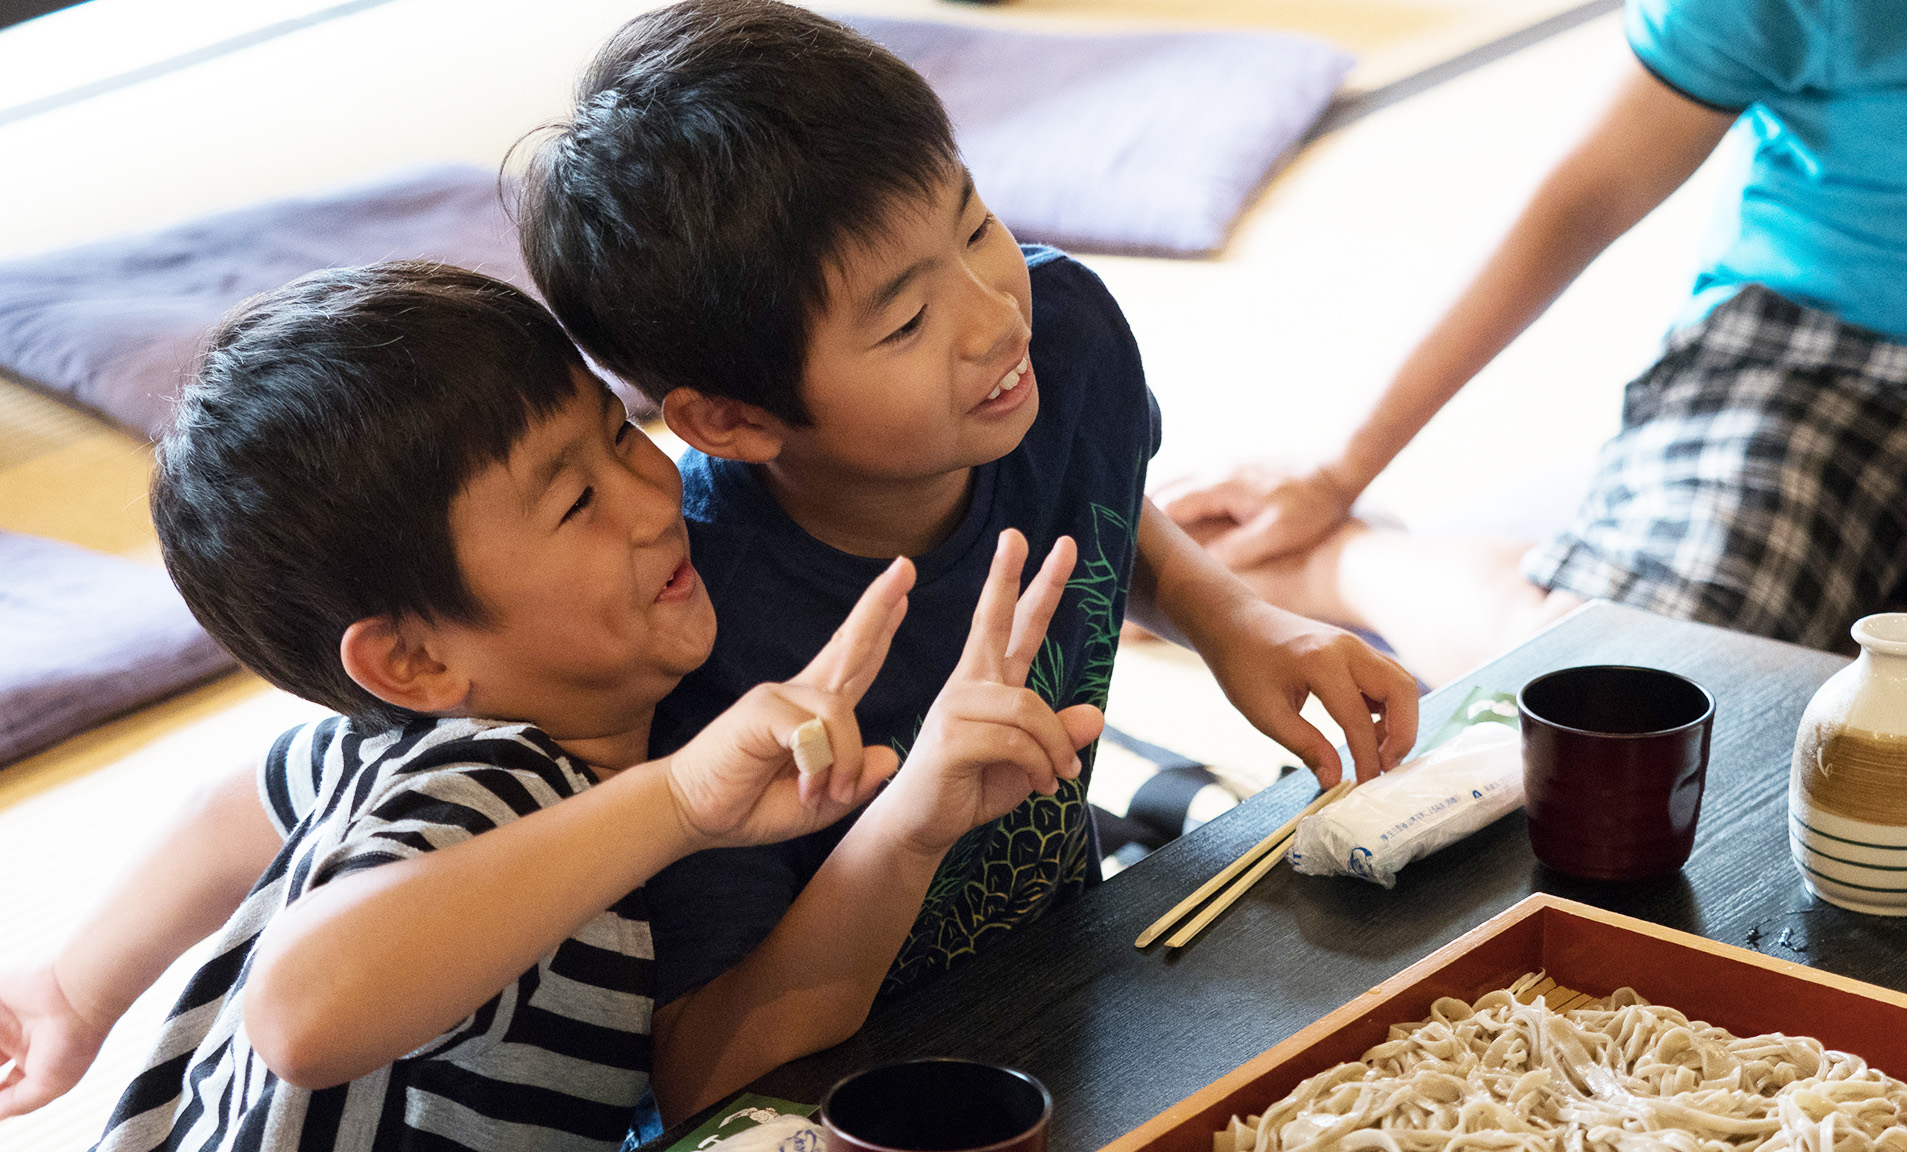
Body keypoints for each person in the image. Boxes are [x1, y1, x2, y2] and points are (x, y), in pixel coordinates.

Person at [515, 0, 1420, 1097]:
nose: (995, 315)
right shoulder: (692, 637)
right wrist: (905, 824)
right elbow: (704, 1072)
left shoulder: (1066, 339)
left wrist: (1227, 614)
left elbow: (1094, 498)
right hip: (863, 1097)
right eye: (902, 323)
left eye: (977, 222)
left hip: (1068, 977)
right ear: (734, 423)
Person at [0, 262, 1105, 1148]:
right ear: (415, 664)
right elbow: (300, 1014)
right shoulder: (488, 782)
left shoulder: (388, 737)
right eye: (574, 499)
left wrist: (70, 988)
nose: (649, 495)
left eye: (620, 435)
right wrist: (679, 799)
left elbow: (228, 807)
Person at [1162, 0, 1907, 697]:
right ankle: (1340, 564)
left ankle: (1812, 650)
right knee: (1633, 684)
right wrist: (1335, 473)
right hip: (1826, 361)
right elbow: (1587, 193)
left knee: (1740, 663)